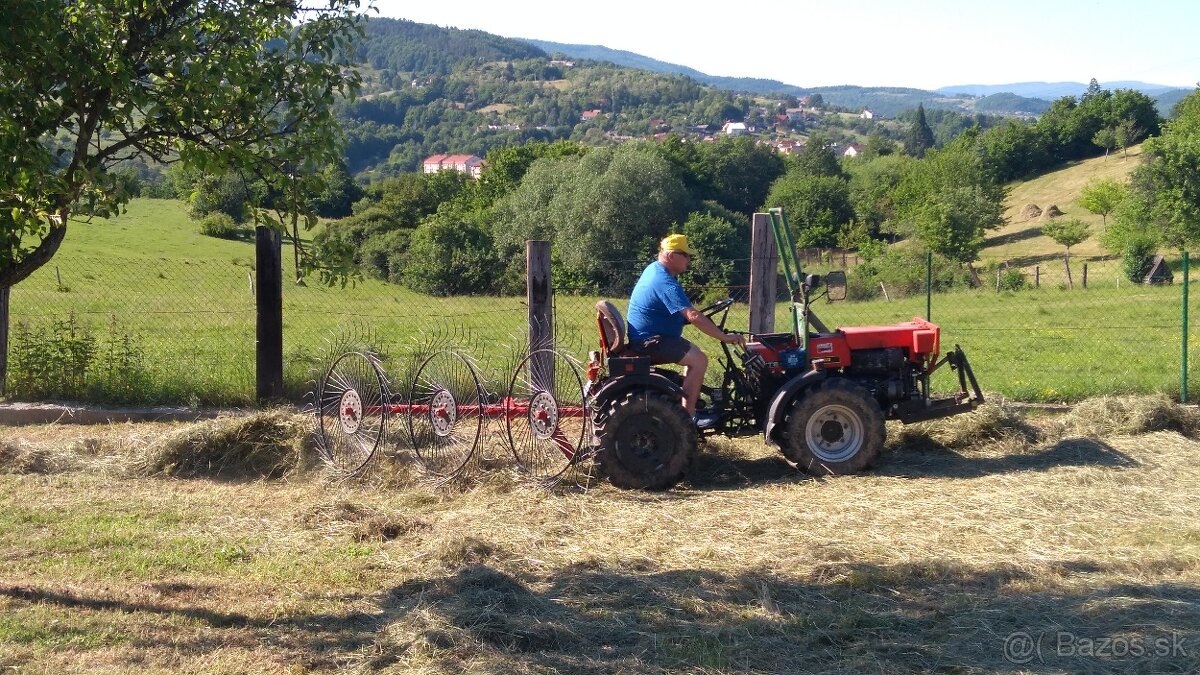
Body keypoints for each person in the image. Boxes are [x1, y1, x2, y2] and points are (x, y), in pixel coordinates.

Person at [626, 234, 745, 429]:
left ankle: (688, 406)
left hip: (650, 337)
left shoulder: (655, 270)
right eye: (686, 255)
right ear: (672, 255)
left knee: (693, 355)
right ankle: (689, 418)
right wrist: (724, 337)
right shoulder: (665, 282)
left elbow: (682, 313)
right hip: (650, 341)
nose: (689, 260)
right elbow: (693, 315)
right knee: (699, 360)